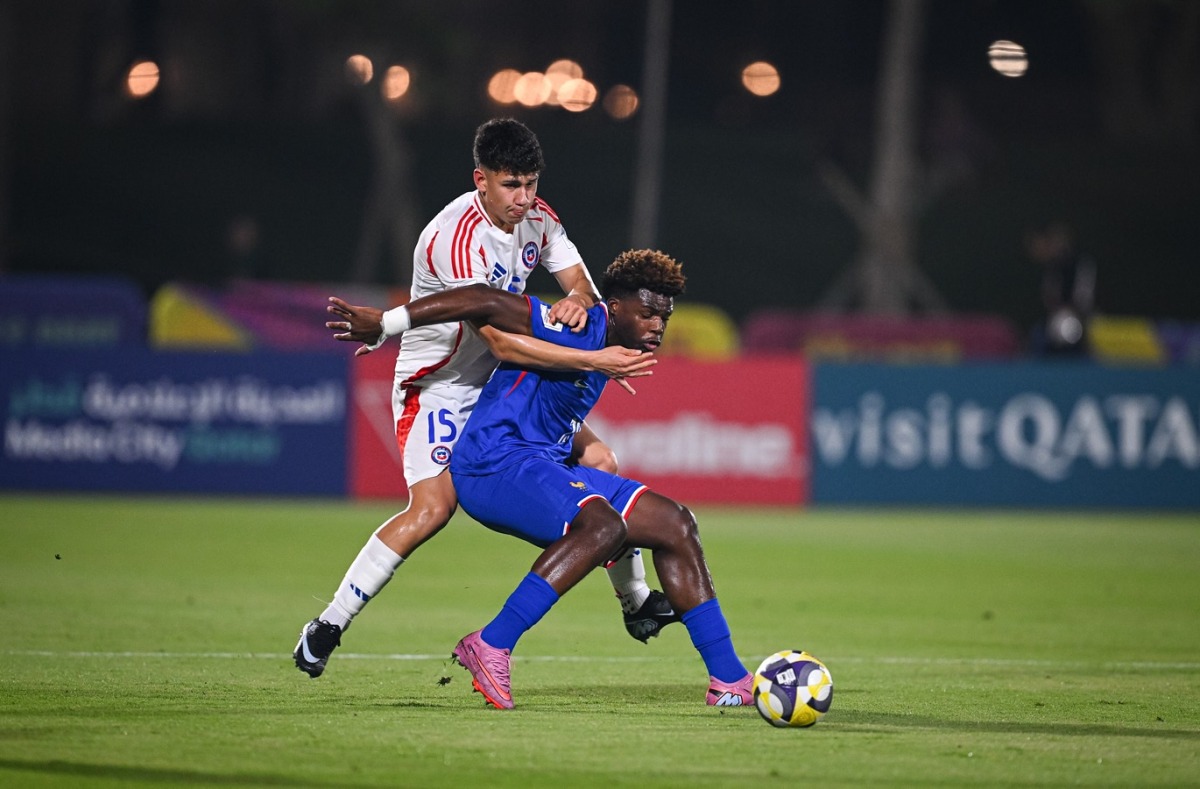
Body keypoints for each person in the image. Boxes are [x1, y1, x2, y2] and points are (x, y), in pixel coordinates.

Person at [294, 119, 678, 679]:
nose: (524, 198)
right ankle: (328, 624)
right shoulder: (455, 240)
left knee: (601, 460)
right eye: (511, 185)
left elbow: (586, 288)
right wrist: (594, 358)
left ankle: (635, 601)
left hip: (500, 384)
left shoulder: (539, 218)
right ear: (482, 180)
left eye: (531, 183)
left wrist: (574, 297)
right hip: (441, 387)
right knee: (432, 510)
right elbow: (499, 339)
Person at [327, 249, 755, 709]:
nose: (657, 326)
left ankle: (729, 679)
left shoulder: (614, 348)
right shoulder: (573, 323)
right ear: (614, 307)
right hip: (493, 464)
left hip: (541, 464)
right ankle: (491, 644)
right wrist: (388, 324)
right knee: (603, 526)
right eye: (647, 313)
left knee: (676, 524)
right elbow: (479, 299)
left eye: (664, 317)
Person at [1026, 221, 1096, 357]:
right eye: (1054, 241)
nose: (1058, 245)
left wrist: (1073, 311)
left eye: (1061, 241)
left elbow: (1085, 296)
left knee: (1067, 326)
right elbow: (1048, 296)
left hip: (1079, 316)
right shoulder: (1051, 267)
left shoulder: (1081, 263)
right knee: (1041, 333)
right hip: (1055, 316)